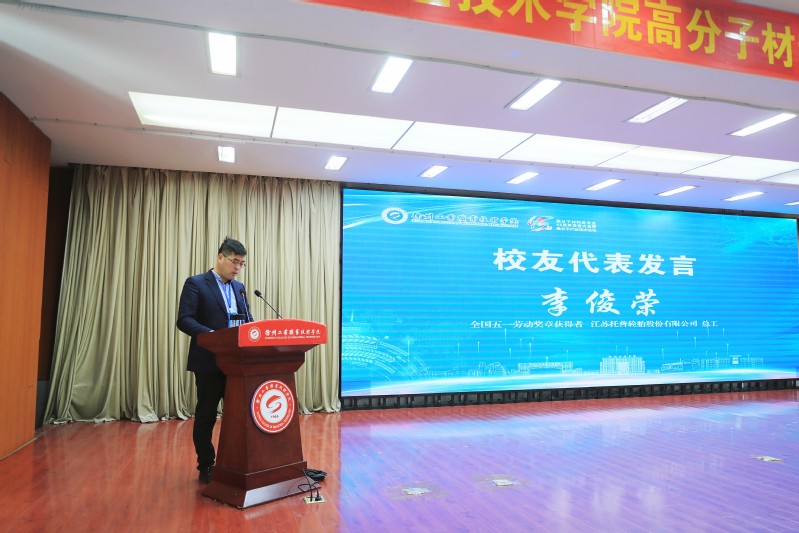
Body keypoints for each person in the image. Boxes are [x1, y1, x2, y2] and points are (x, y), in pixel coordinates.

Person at [176, 237, 253, 483]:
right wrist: (212, 336)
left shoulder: (239, 288)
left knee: (239, 415)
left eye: (241, 264)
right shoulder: (197, 283)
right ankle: (206, 465)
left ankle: (236, 462)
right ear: (220, 257)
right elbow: (184, 319)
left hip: (237, 364)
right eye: (234, 262)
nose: (238, 267)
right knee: (207, 414)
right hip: (209, 361)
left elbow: (247, 320)